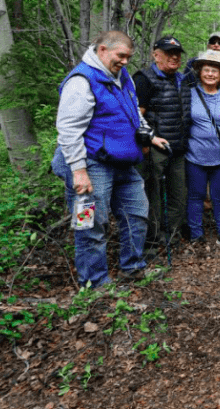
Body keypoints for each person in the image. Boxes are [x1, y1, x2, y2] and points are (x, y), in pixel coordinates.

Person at [55, 31, 161, 287]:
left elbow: (132, 112)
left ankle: (133, 269)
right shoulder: (81, 81)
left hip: (124, 163)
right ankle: (94, 283)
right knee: (89, 223)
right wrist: (78, 171)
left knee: (137, 215)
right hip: (91, 165)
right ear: (102, 50)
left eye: (128, 57)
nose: (125, 61)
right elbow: (68, 129)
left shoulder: (123, 77)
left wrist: (150, 135)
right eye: (120, 56)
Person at [132, 35, 193, 255]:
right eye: (168, 53)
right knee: (153, 197)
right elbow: (135, 117)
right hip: (155, 149)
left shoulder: (184, 78)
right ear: (156, 54)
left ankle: (172, 237)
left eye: (177, 54)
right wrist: (150, 139)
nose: (174, 57)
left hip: (179, 148)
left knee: (178, 194)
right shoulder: (144, 79)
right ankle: (151, 241)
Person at [186, 50, 220, 251]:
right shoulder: (190, 94)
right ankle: (196, 236)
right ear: (200, 72)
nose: (210, 74)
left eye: (214, 71)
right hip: (194, 156)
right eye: (206, 70)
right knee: (195, 196)